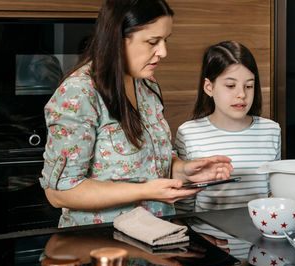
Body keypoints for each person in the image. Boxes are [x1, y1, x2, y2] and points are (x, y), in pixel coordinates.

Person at [39, 0, 233, 228]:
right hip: (100, 247)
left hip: (155, 240)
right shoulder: (79, 93)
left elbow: (149, 161)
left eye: (165, 40)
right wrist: (145, 191)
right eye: (153, 42)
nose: (163, 52)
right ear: (117, 40)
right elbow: (60, 192)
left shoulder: (147, 85)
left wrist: (184, 170)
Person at [174, 41, 281, 212]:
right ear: (209, 87)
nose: (242, 94)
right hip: (207, 236)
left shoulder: (271, 131)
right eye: (231, 86)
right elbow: (183, 204)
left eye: (249, 86)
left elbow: (273, 193)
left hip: (260, 237)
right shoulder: (189, 133)